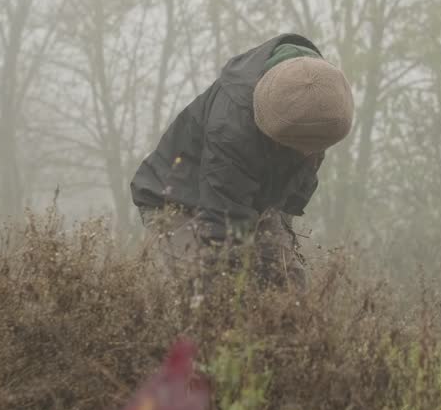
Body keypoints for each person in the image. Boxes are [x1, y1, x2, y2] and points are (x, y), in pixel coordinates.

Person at [130, 33, 354, 295]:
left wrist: (277, 237)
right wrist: (237, 286)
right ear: (266, 123)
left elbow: (285, 194)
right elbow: (223, 222)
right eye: (296, 147)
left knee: (288, 288)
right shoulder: (231, 127)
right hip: (176, 200)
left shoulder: (321, 95)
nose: (307, 155)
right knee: (207, 293)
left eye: (313, 149)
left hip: (248, 201)